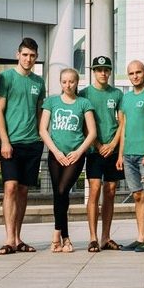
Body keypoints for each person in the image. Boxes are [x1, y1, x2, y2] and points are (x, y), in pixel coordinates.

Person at [0, 38, 45, 255]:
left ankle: (17, 237)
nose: (28, 59)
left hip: (33, 143)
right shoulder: (5, 78)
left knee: (23, 191)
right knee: (10, 187)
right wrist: (4, 140)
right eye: (25, 55)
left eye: (32, 55)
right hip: (11, 143)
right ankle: (8, 239)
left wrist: (43, 137)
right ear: (17, 55)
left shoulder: (38, 82)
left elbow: (40, 112)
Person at [40, 68, 97, 253]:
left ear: (77, 82)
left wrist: (79, 152)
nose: (68, 85)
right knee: (59, 193)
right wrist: (55, 152)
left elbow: (92, 132)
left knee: (63, 189)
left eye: (71, 81)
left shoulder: (84, 103)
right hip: (56, 155)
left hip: (75, 156)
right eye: (64, 81)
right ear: (60, 82)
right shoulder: (52, 102)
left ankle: (57, 234)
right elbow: (43, 130)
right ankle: (65, 238)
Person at [79, 56, 124, 252]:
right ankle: (93, 237)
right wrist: (97, 145)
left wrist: (113, 144)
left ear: (110, 71)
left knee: (111, 191)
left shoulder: (117, 94)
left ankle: (106, 237)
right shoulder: (84, 93)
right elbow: (81, 124)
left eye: (106, 69)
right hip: (94, 150)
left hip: (112, 149)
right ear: (93, 72)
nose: (103, 73)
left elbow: (122, 122)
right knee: (95, 189)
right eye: (99, 70)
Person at [117, 60, 144, 253]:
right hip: (129, 155)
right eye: (131, 73)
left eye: (138, 72)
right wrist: (120, 155)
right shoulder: (125, 99)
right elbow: (123, 127)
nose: (135, 76)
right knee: (137, 196)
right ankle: (141, 237)